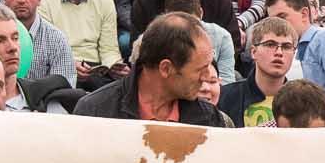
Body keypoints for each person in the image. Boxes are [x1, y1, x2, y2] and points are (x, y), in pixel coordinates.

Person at [73, 12, 224, 125]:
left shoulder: (208, 117)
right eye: (200, 69)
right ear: (165, 68)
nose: (206, 77)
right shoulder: (95, 112)